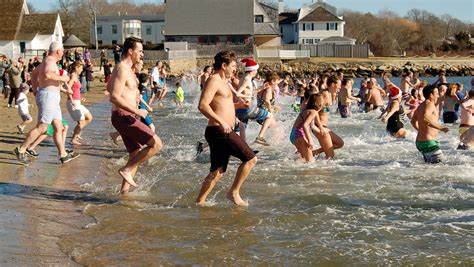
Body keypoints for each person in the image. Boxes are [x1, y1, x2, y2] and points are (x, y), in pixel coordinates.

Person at [196, 51, 257, 206]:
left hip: (219, 130)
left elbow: (222, 104)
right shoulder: (214, 80)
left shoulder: (224, 82)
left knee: (217, 172)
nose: (235, 69)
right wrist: (222, 122)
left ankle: (199, 202)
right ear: (224, 66)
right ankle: (233, 193)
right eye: (233, 66)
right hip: (219, 130)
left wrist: (239, 105)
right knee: (251, 159)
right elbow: (202, 105)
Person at [108, 37, 162, 194]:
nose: (142, 54)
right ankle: (127, 169)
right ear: (130, 51)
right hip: (123, 116)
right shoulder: (122, 68)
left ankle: (123, 193)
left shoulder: (128, 70)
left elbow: (111, 87)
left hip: (126, 116)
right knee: (156, 144)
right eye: (140, 51)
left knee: (135, 153)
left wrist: (135, 97)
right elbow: (114, 96)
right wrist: (137, 110)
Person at [14, 41, 79, 165]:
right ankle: (21, 149)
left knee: (58, 127)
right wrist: (64, 78)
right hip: (48, 96)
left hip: (51, 96)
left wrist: (34, 88)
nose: (63, 53)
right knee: (42, 127)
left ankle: (63, 154)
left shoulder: (47, 61)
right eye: (62, 51)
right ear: (58, 51)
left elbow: (34, 74)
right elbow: (48, 74)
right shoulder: (49, 61)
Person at [411, 85, 449, 164]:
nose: (438, 95)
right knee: (441, 166)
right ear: (431, 95)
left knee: (430, 168)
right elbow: (425, 118)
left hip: (420, 142)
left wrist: (421, 130)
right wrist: (440, 127)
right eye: (436, 93)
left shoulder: (420, 106)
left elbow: (413, 121)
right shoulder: (429, 104)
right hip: (428, 142)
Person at [290, 93, 325, 162]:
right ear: (319, 103)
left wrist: (322, 131)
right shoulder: (313, 112)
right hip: (298, 134)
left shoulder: (308, 110)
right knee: (310, 161)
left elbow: (314, 125)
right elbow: (305, 126)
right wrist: (310, 140)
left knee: (303, 158)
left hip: (294, 134)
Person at [66, 60, 93, 145]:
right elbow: (68, 89)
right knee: (81, 122)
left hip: (77, 101)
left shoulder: (76, 76)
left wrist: (80, 99)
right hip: (72, 102)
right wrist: (73, 100)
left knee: (89, 117)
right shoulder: (73, 76)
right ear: (76, 67)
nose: (82, 69)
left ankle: (77, 132)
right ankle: (74, 138)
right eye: (81, 68)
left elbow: (75, 90)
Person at [312, 89, 344, 159]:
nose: (329, 96)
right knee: (330, 155)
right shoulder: (320, 105)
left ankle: (315, 152)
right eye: (327, 95)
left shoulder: (326, 105)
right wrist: (320, 127)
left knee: (340, 143)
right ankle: (324, 168)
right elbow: (314, 114)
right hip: (320, 127)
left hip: (324, 127)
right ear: (323, 97)